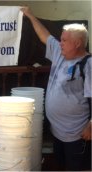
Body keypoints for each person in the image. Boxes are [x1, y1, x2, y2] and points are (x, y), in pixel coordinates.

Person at [21, 7, 91, 171]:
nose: (60, 43)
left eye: (64, 40)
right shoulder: (60, 53)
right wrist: (30, 15)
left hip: (77, 136)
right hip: (58, 133)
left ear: (77, 43)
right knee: (60, 166)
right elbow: (45, 36)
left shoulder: (88, 65)